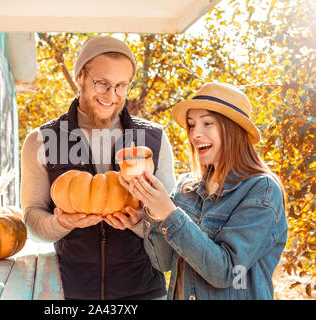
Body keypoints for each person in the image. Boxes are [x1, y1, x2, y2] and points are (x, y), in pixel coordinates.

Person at [20, 36, 176, 300]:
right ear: (80, 75)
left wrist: (139, 224)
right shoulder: (42, 140)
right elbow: (32, 221)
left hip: (144, 292)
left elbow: (172, 226)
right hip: (71, 293)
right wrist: (61, 223)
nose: (111, 96)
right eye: (102, 83)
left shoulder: (154, 140)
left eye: (121, 86)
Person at [120, 82, 288, 300]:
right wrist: (151, 213)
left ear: (233, 130)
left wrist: (169, 214)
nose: (195, 134)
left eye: (207, 123)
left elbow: (225, 272)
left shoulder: (261, 190)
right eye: (191, 125)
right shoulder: (186, 187)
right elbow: (163, 262)